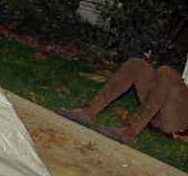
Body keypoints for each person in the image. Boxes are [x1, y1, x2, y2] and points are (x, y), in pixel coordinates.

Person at [57, 57, 188, 144]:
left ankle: (132, 131)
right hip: (165, 110)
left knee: (167, 72)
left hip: (181, 123)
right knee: (137, 64)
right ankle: (90, 111)